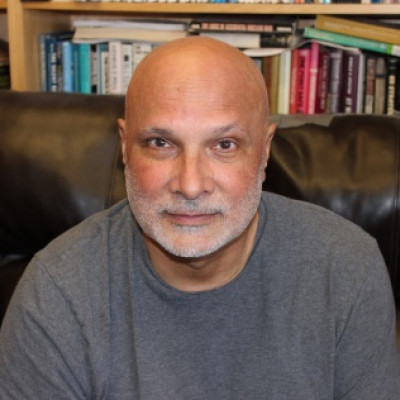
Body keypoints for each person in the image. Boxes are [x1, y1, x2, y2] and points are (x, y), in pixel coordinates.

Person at [0, 36, 399, 399]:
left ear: (263, 152)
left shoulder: (347, 269)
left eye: (224, 145)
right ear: (124, 147)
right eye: (161, 143)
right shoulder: (56, 294)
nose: (190, 185)